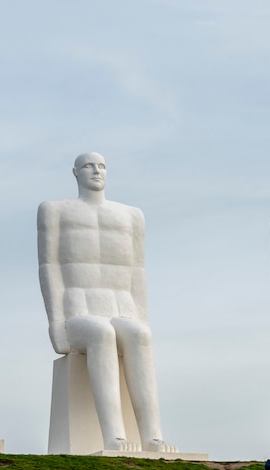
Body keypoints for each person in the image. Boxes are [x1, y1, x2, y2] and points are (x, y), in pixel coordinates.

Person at [38, 152, 176, 453]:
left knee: (140, 335)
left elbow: (137, 272)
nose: (96, 171)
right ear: (75, 173)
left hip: (121, 307)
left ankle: (153, 436)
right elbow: (49, 267)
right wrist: (55, 322)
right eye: (88, 166)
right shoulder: (55, 210)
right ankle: (114, 434)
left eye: (101, 166)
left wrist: (143, 317)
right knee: (102, 333)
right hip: (78, 311)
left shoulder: (130, 215)